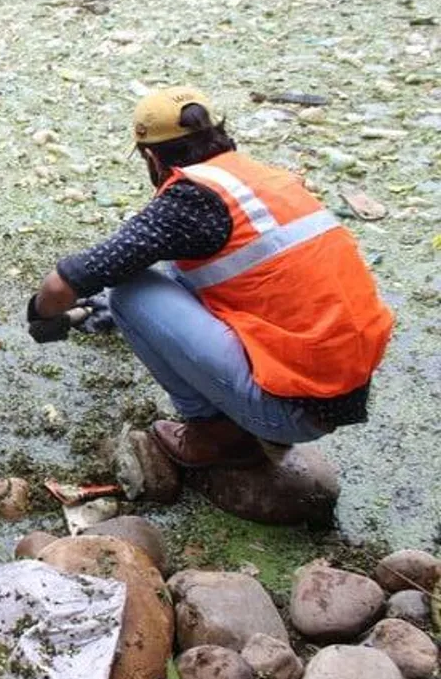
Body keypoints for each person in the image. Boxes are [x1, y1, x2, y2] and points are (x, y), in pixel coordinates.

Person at [27, 87, 393, 468]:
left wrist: (41, 315)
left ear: (152, 157)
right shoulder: (260, 177)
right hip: (339, 392)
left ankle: (213, 431)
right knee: (177, 268)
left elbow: (62, 285)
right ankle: (250, 419)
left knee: (130, 292)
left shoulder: (190, 201)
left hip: (290, 409)